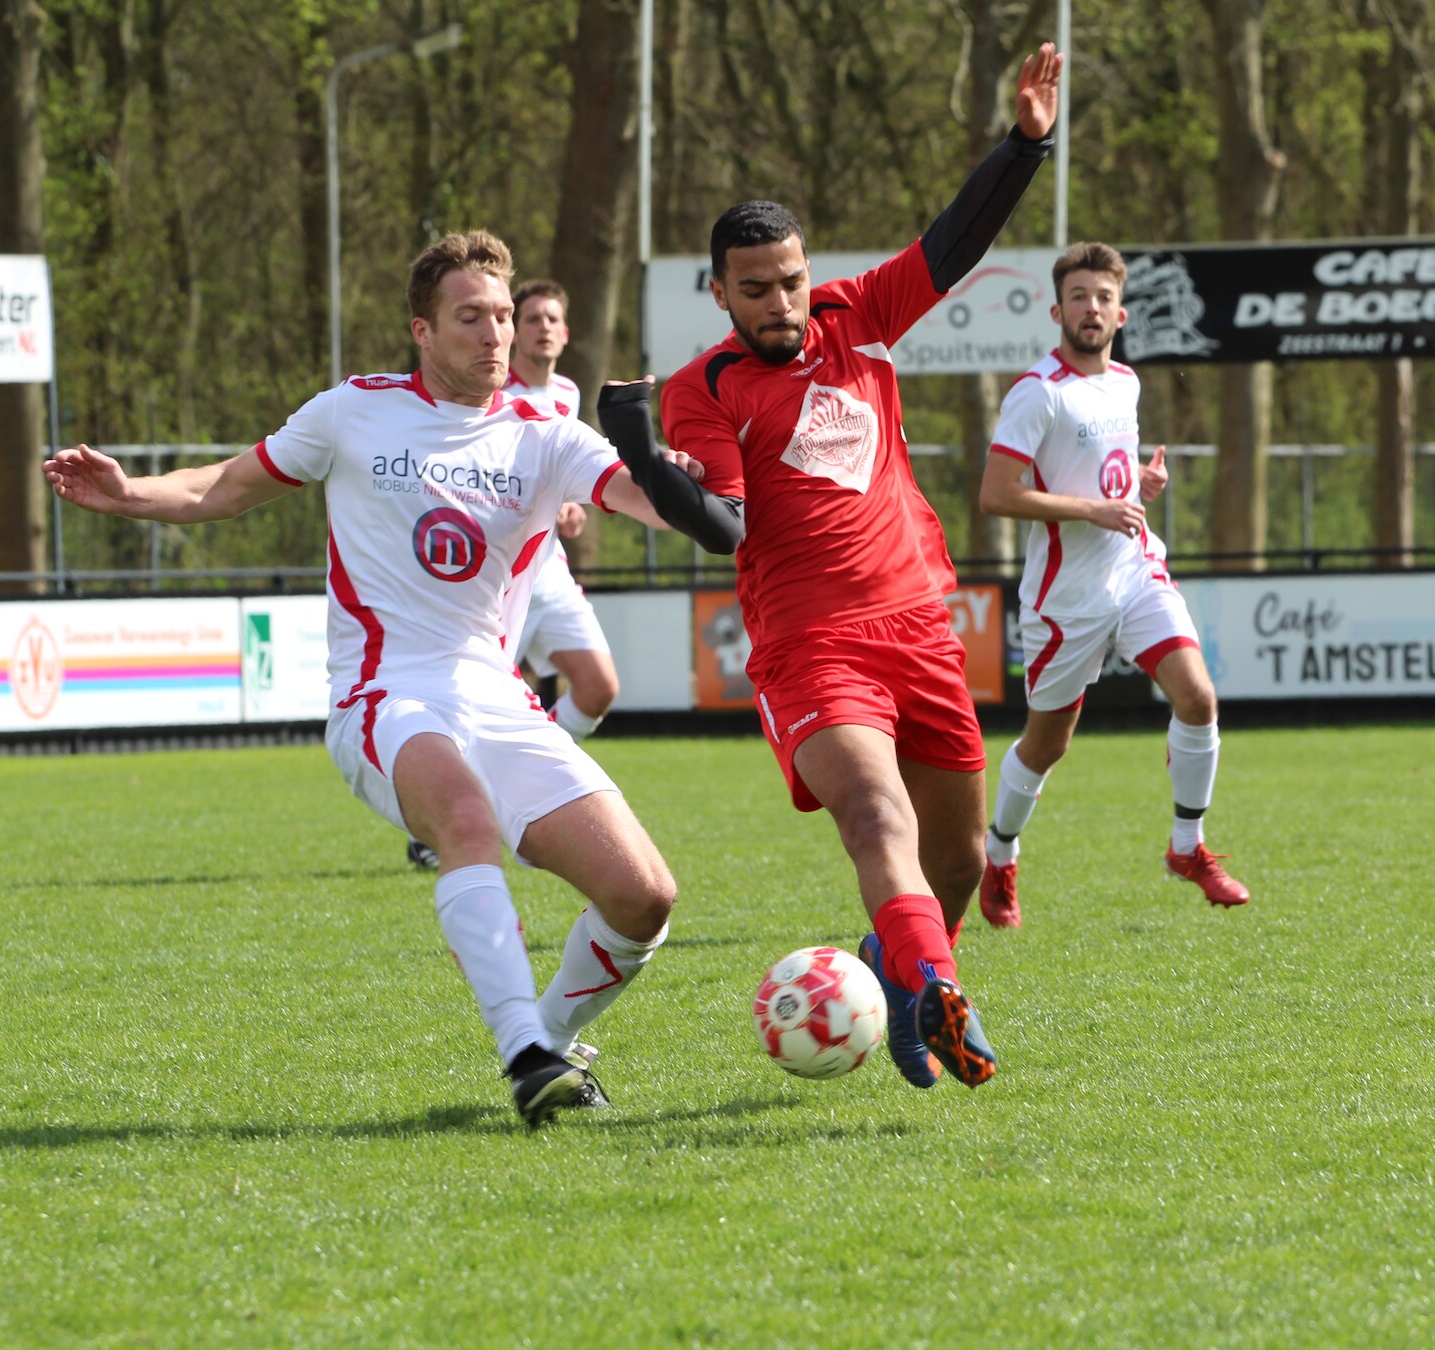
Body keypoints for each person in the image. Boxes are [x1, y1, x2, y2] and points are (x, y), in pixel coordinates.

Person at [44, 230, 704, 1128]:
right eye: (470, 316)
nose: (495, 334)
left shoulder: (548, 435)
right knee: (465, 820)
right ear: (421, 332)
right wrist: (129, 494)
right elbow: (223, 489)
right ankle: (523, 1057)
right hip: (385, 693)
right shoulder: (354, 412)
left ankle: (547, 1037)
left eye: (504, 316)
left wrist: (686, 488)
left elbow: (643, 500)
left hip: (497, 696)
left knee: (644, 897)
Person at [625, 43, 1065, 1092]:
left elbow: (949, 248)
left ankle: (898, 971)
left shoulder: (856, 318)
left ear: (808, 273)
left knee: (954, 861)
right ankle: (944, 996)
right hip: (810, 647)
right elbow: (723, 526)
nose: (780, 303)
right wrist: (644, 453)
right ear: (721, 294)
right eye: (756, 290)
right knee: (879, 820)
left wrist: (1025, 147)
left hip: (921, 624)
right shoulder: (706, 389)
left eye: (791, 280)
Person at [975, 241, 1250, 928]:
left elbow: (1108, 478)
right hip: (1067, 601)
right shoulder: (1037, 394)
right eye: (1078, 297)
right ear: (1057, 310)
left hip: (1134, 570)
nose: (1090, 308)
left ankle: (1188, 846)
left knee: (1197, 696)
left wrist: (1138, 486)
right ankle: (1000, 854)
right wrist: (1094, 509)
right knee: (1047, 746)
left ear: (1120, 312)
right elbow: (996, 495)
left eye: (1102, 297)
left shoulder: (1124, 383)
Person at [404, 278, 618, 870]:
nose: (542, 328)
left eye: (553, 319)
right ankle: (444, 820)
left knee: (599, 687)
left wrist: (568, 508)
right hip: (496, 575)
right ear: (515, 332)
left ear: (566, 333)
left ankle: (526, 796)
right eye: (532, 319)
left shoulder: (571, 393)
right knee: (472, 711)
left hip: (550, 570)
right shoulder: (493, 394)